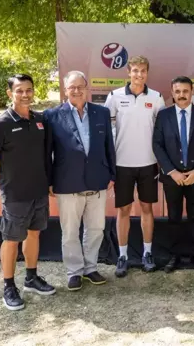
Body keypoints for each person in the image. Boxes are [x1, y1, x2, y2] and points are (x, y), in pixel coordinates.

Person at [0, 74, 55, 311]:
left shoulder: (39, 120)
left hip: (39, 190)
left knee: (34, 234)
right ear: (10, 93)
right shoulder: (0, 124)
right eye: (20, 90)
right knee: (11, 239)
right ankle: (8, 286)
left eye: (29, 90)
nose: (25, 95)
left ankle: (31, 278)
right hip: (15, 194)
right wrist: (6, 180)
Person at [44, 71, 116, 291]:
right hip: (67, 182)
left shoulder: (101, 113)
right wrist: (49, 180)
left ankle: (90, 267)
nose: (76, 91)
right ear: (65, 90)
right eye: (71, 87)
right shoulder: (52, 116)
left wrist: (112, 174)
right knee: (70, 231)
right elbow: (47, 152)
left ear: (87, 88)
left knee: (96, 228)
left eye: (80, 86)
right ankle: (74, 271)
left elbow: (108, 147)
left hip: (97, 180)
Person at [104, 55, 165, 277]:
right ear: (128, 72)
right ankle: (122, 256)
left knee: (147, 209)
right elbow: (107, 132)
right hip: (122, 165)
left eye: (143, 71)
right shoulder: (114, 96)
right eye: (135, 70)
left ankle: (147, 253)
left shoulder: (157, 98)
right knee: (124, 211)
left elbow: (161, 133)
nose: (139, 74)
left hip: (148, 164)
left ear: (147, 73)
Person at [152, 76, 194, 272]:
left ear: (191, 91)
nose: (181, 95)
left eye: (185, 91)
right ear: (172, 93)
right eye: (177, 92)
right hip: (173, 178)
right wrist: (171, 172)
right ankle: (174, 255)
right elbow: (157, 145)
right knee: (173, 217)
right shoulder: (164, 116)